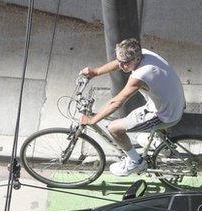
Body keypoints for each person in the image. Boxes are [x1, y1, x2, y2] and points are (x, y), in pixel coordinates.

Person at [79, 38, 186, 177]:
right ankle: (161, 145)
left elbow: (116, 102)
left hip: (166, 116)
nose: (122, 66)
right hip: (176, 103)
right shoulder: (144, 53)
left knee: (114, 128)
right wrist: (96, 71)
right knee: (143, 115)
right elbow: (119, 63)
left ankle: (136, 162)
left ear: (137, 59)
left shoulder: (140, 75)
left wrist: (93, 120)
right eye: (120, 61)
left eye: (126, 63)